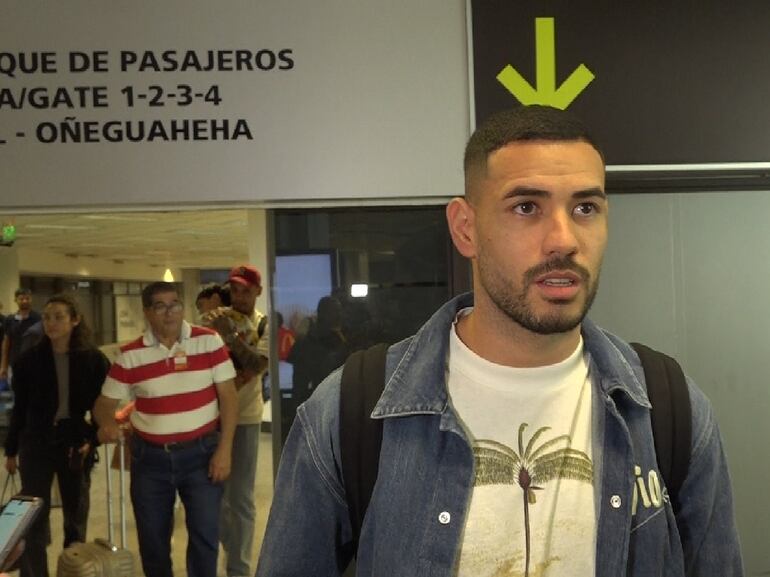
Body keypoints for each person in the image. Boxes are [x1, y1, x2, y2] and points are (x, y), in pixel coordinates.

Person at [256, 106, 743, 576]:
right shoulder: (349, 413)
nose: (563, 239)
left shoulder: (669, 408)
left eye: (586, 207)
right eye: (526, 207)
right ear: (466, 229)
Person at [93, 281, 238, 577]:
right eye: (160, 306)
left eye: (175, 304)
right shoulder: (131, 355)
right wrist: (106, 423)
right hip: (150, 461)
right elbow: (103, 404)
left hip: (202, 455)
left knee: (205, 538)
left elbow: (229, 398)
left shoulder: (208, 341)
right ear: (147, 312)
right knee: (154, 544)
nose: (169, 312)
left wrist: (225, 450)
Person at [3, 293, 110, 577]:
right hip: (36, 443)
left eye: (59, 317)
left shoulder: (93, 360)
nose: (51, 323)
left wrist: (93, 439)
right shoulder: (29, 361)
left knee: (75, 517)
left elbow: (104, 407)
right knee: (33, 517)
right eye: (48, 317)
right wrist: (11, 449)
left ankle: (74, 571)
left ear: (75, 320)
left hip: (74, 443)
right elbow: (20, 409)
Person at [202, 264, 268, 577]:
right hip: (207, 419)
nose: (239, 296)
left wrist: (229, 336)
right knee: (214, 497)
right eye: (235, 290)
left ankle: (238, 569)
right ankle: (227, 551)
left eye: (246, 290)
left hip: (245, 419)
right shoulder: (214, 320)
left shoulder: (265, 323)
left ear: (258, 291)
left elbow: (256, 365)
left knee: (240, 498)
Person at [0, 288, 41, 385]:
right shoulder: (10, 319)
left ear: (31, 299)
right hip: (14, 363)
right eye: (21, 299)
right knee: (16, 394)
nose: (25, 301)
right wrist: (3, 366)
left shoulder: (38, 318)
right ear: (16, 300)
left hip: (33, 364)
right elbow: (6, 343)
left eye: (27, 298)